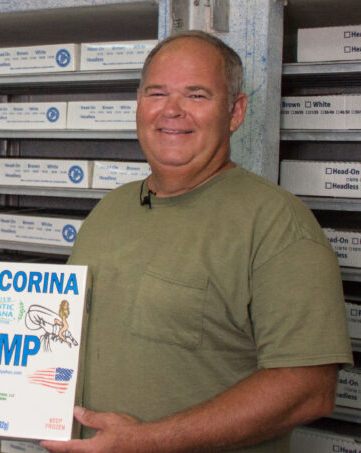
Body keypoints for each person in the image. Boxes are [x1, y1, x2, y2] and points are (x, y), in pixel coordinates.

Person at [40, 30, 353, 453]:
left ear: (235, 112)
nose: (172, 111)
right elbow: (59, 332)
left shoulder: (278, 225)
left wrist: (147, 442)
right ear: (139, 103)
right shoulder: (109, 210)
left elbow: (308, 388)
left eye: (197, 95)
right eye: (157, 93)